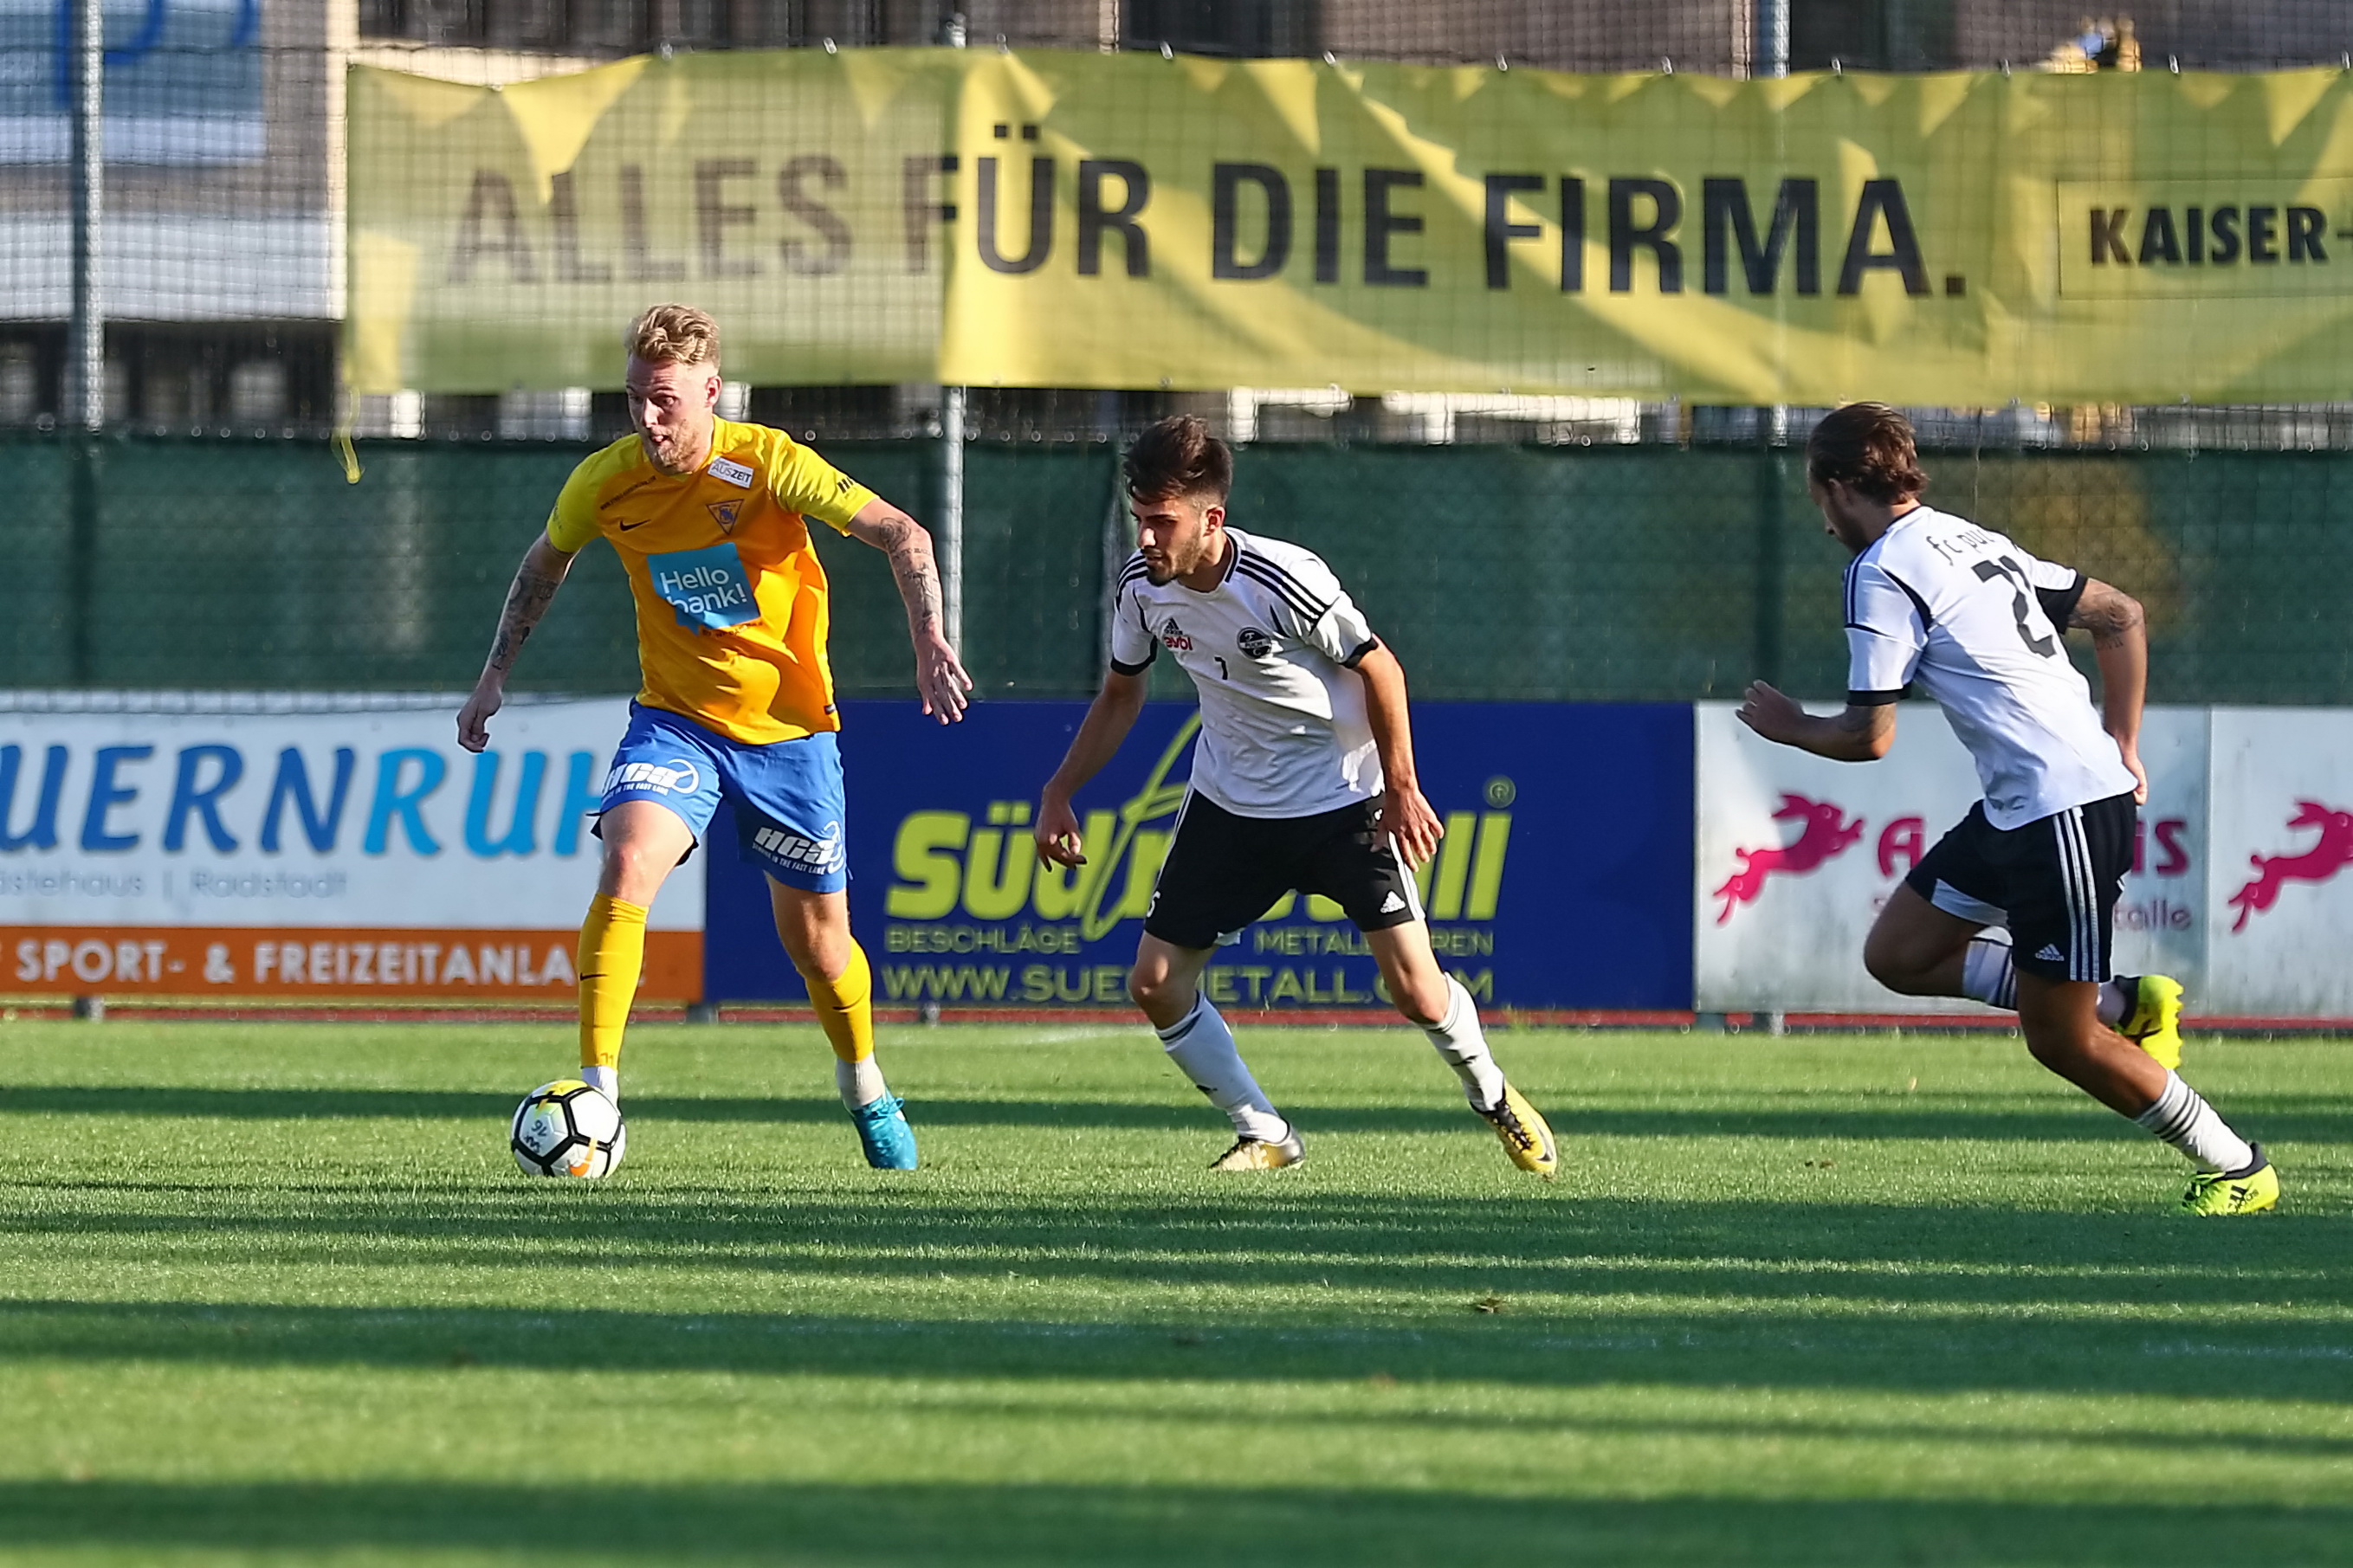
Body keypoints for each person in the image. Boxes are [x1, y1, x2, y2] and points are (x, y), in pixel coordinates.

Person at [456, 304, 971, 1170]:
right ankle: (599, 1093)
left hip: (790, 738)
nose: (647, 418)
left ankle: (864, 1083)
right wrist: (493, 673)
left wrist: (928, 640)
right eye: (633, 399)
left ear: (710, 391)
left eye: (663, 399)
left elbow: (901, 533)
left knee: (820, 948)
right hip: (676, 723)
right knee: (626, 859)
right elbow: (546, 560)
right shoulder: (604, 482)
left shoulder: (768, 463)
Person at [1736, 402, 2275, 1216]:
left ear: (1840, 487)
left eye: (1819, 500)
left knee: (2061, 1039)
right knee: (1900, 953)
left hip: (2063, 811)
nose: (1822, 524)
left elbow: (1867, 736)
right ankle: (2127, 1002)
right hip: (2026, 807)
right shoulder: (1969, 538)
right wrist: (2123, 742)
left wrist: (1789, 727)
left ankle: (2237, 1165)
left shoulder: (1880, 569)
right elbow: (2121, 614)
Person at [1033, 415, 1556, 1174]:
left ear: (1211, 519)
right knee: (1154, 983)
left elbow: (1380, 669)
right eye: (1138, 518)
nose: (1145, 538)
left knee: (1416, 990)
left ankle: (1493, 1095)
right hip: (1230, 807)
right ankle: (1265, 1132)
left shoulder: (1281, 579)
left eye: (1161, 522)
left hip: (1341, 801)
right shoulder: (1141, 588)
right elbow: (1121, 694)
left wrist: (1400, 786)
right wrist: (1059, 790)